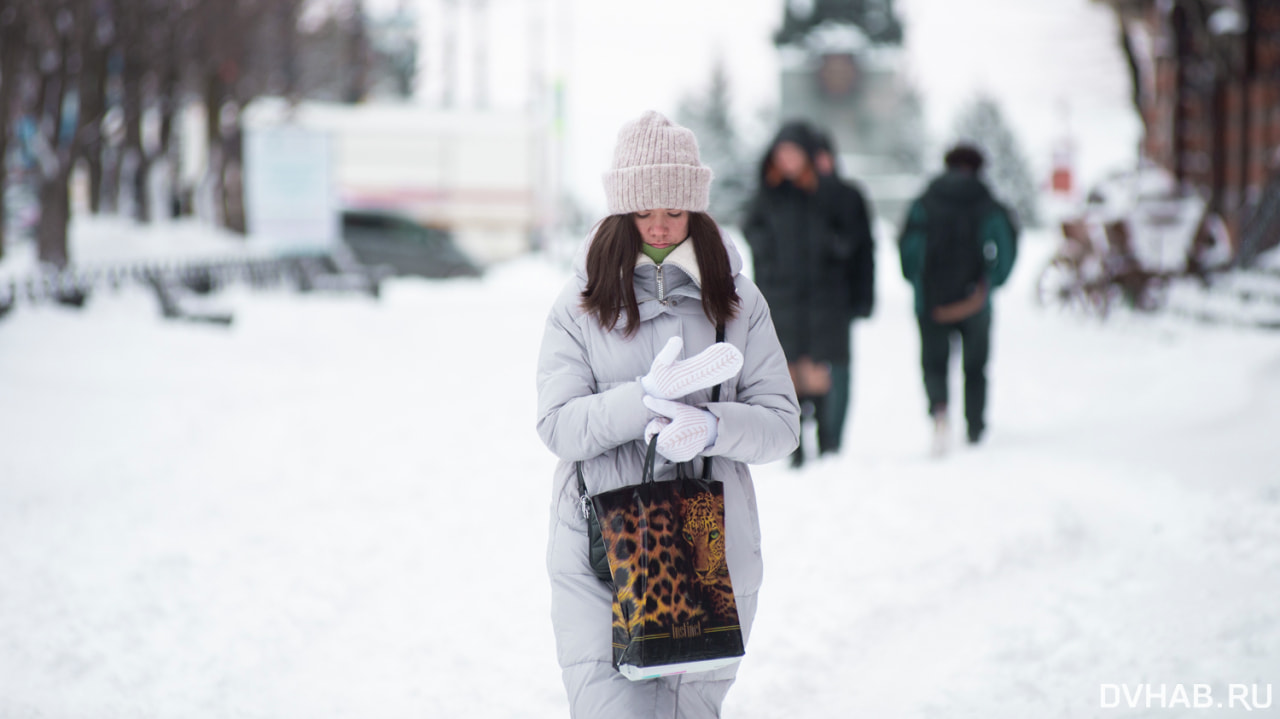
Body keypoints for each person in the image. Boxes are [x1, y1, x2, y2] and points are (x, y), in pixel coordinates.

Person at [536, 111, 800, 718]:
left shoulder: (737, 300)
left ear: (696, 212)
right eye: (642, 210)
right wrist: (643, 399)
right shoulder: (578, 305)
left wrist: (712, 426)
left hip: (708, 544)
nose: (658, 225)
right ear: (619, 212)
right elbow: (558, 425)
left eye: (674, 211)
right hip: (599, 544)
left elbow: (782, 423)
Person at [743, 121, 858, 467]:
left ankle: (827, 444)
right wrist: (769, 257)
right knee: (787, 370)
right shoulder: (768, 193)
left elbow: (852, 237)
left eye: (794, 153)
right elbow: (752, 229)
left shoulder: (827, 193)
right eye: (783, 153)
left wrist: (833, 250)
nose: (788, 160)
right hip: (781, 296)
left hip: (822, 297)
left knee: (818, 369)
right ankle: (794, 447)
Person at [898, 144, 1018, 455]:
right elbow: (1004, 244)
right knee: (975, 366)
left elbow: (909, 245)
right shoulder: (986, 200)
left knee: (934, 364)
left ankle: (940, 413)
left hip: (932, 302)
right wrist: (992, 282)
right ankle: (975, 427)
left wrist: (918, 282)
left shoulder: (927, 198)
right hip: (975, 301)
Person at [810, 128, 876, 457]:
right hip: (803, 300)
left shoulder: (849, 195)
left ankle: (833, 437)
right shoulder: (796, 195)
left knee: (839, 367)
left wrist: (864, 296)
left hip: (839, 299)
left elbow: (864, 249)